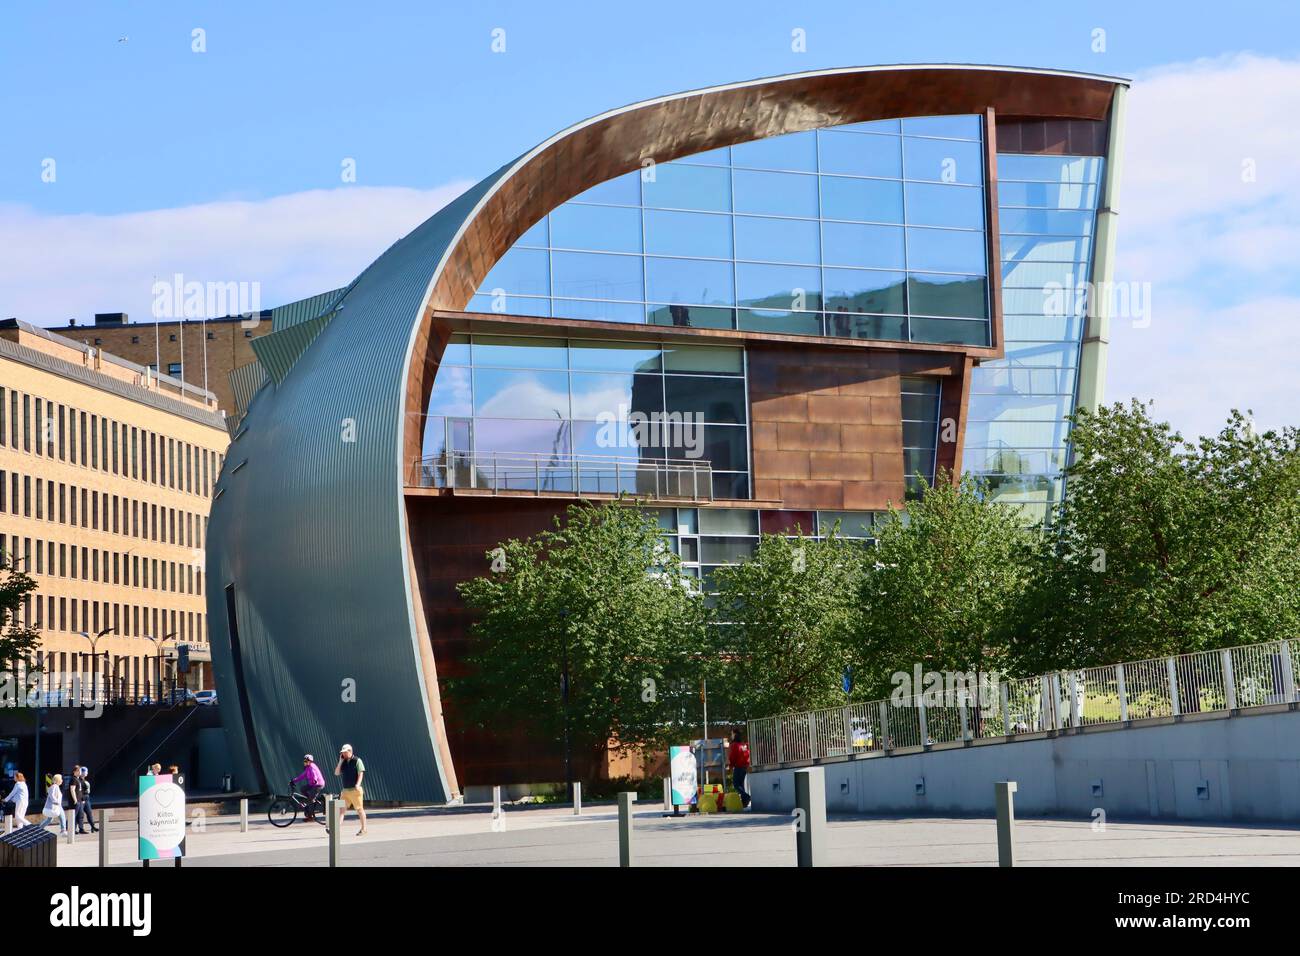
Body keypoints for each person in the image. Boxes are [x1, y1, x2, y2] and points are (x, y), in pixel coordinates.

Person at [333, 744, 367, 836]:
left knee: (359, 810)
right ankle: (336, 830)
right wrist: (340, 762)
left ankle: (364, 829)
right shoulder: (343, 762)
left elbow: (361, 773)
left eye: (345, 752)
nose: (343, 754)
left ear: (350, 751)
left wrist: (357, 784)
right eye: (342, 753)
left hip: (355, 790)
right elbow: (336, 773)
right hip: (345, 790)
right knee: (341, 811)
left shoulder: (357, 760)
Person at [291, 754, 325, 820]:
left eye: (306, 761)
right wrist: (293, 781)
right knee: (303, 789)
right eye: (304, 761)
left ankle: (310, 816)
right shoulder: (307, 768)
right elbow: (302, 776)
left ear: (310, 761)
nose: (305, 762)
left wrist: (314, 780)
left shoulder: (312, 767)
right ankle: (310, 799)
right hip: (312, 784)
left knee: (311, 800)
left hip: (318, 784)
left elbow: (314, 774)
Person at [728, 727, 751, 810]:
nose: (731, 735)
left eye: (731, 734)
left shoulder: (734, 745)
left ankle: (747, 797)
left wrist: (730, 766)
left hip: (738, 766)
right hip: (744, 766)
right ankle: (744, 802)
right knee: (741, 784)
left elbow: (732, 757)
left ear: (734, 734)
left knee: (736, 784)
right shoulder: (743, 745)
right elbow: (747, 755)